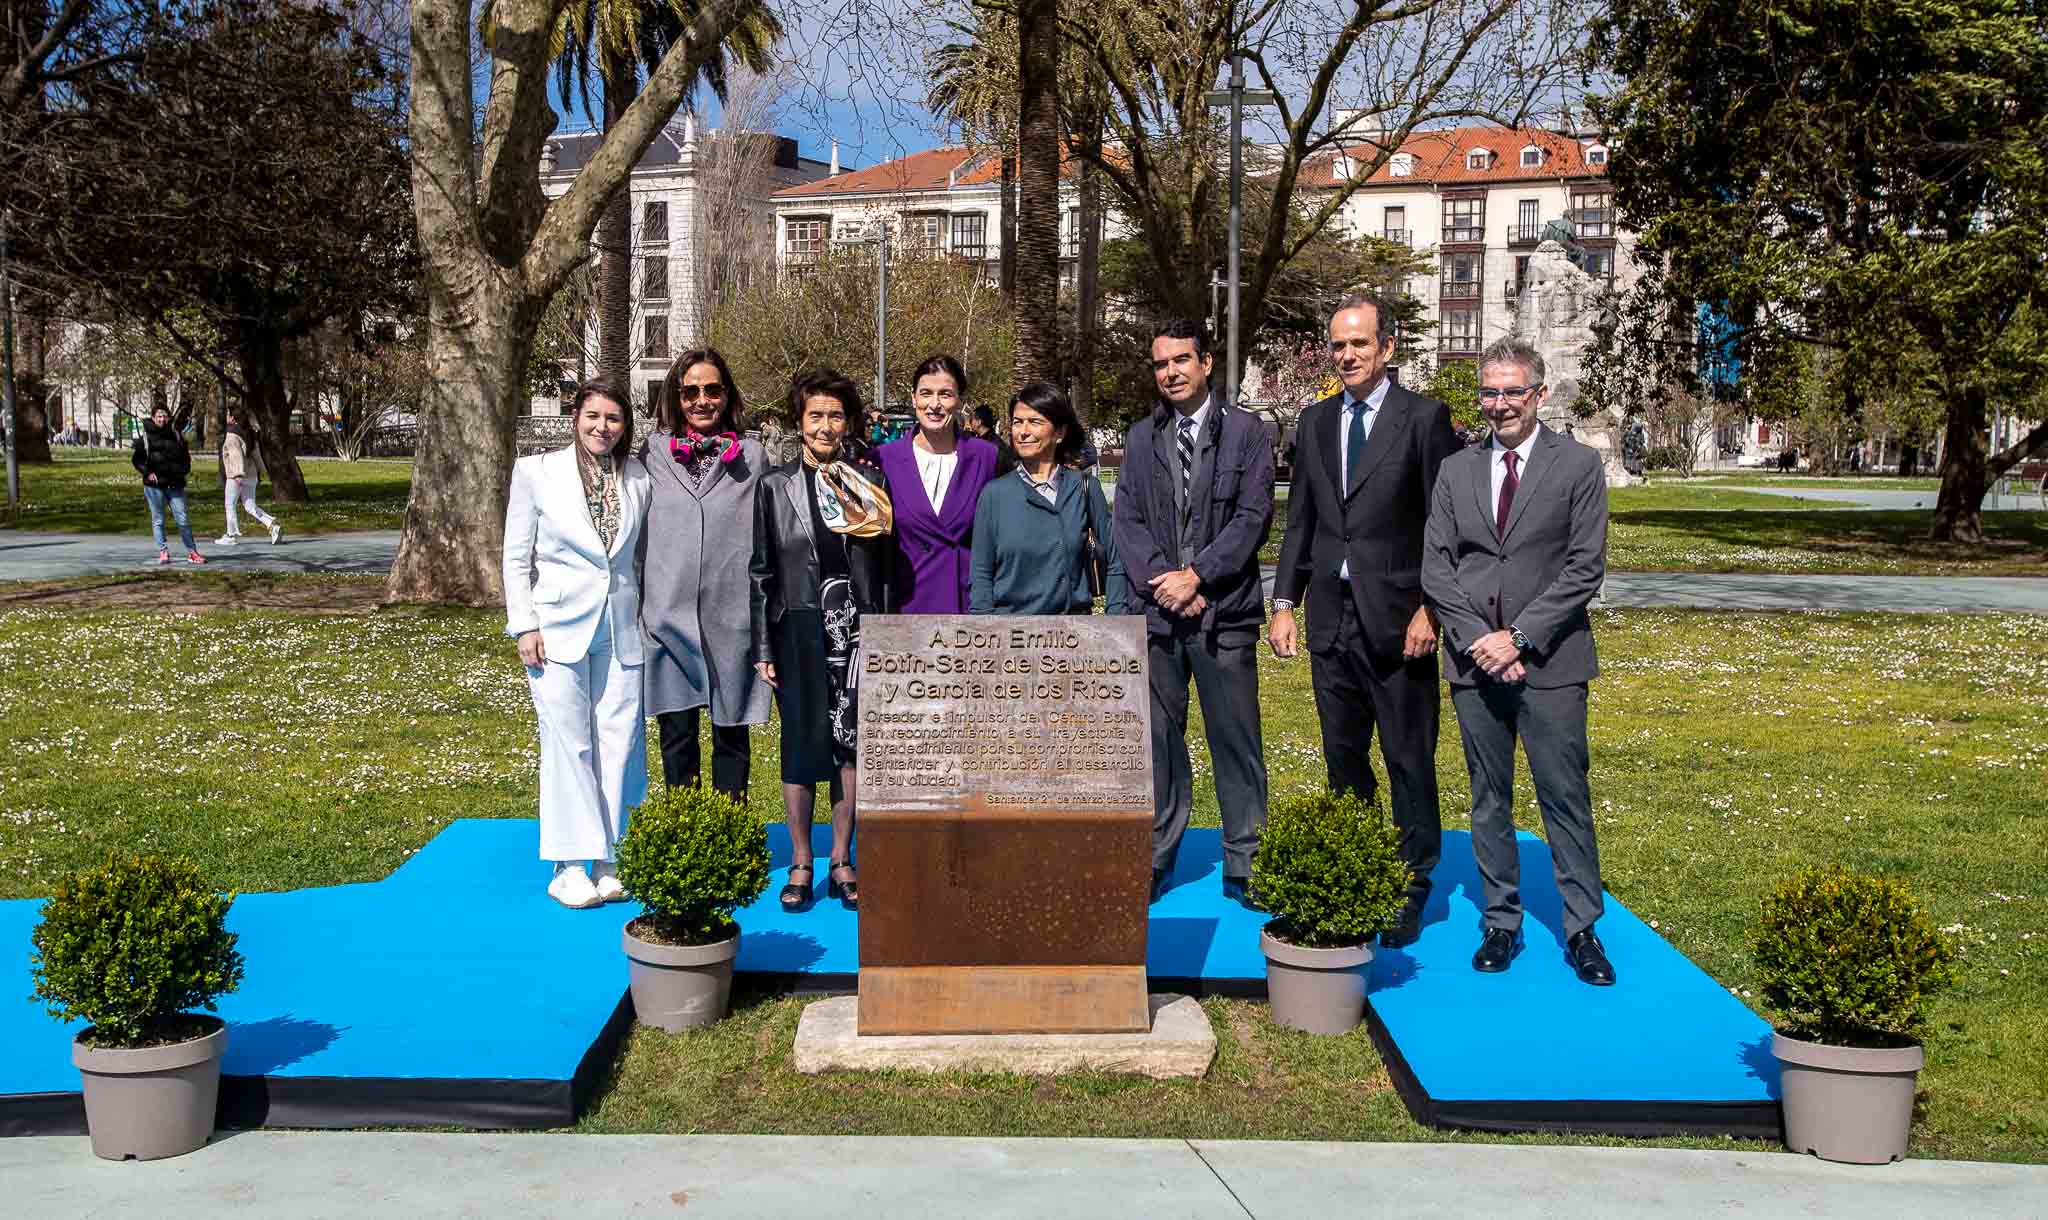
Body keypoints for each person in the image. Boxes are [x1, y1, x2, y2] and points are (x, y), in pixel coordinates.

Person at [1268, 291, 1460, 949]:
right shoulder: (1315, 421)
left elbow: (1445, 523)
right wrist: (1284, 602)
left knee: (1409, 758)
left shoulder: (1425, 419)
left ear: (1387, 348)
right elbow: (1302, 522)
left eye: (1359, 343)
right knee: (1343, 757)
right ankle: (1360, 869)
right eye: (1338, 344)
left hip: (1403, 620)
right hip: (1332, 620)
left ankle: (1412, 882)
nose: (1347, 355)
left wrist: (1432, 608)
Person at [1421, 337, 1614, 985]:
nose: (1499, 404)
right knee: (1488, 800)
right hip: (1474, 664)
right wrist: (1481, 637)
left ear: (1540, 394)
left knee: (1564, 794)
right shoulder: (1455, 470)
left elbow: (1586, 566)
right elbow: (1438, 567)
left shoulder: (1579, 466)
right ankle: (1500, 923)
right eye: (1489, 391)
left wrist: (1520, 636)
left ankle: (1582, 927)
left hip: (1552, 662)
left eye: (1512, 392)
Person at [1112, 320, 1274, 904]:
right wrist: (1166, 584)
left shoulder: (1248, 433)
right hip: (1158, 617)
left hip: (1223, 614)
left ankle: (1246, 860)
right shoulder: (1140, 439)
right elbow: (1125, 519)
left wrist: (1199, 575)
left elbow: (1254, 517)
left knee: (1236, 739)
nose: (1171, 373)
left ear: (1206, 363)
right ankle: (1157, 855)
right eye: (1160, 365)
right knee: (1158, 744)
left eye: (1181, 360)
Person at [503, 379, 652, 910]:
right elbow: (516, 557)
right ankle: (568, 864)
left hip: (622, 627)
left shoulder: (637, 477)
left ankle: (612, 857)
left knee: (620, 741)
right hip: (556, 627)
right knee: (568, 742)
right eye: (593, 416)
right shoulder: (536, 473)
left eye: (613, 418)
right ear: (575, 416)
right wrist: (524, 624)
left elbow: (638, 557)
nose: (602, 427)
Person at [751, 369, 895, 912]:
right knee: (802, 744)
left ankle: (841, 858)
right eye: (816, 415)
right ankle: (801, 860)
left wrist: (881, 629)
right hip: (799, 627)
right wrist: (764, 646)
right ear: (799, 422)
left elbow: (882, 567)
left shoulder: (868, 483)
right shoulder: (774, 485)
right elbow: (761, 570)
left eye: (836, 415)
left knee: (851, 743)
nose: (826, 426)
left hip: (856, 628)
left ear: (849, 422)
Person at [634, 348, 769, 804]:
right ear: (676, 396)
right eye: (690, 391)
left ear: (726, 394)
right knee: (676, 734)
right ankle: (686, 833)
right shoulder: (652, 453)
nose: (701, 400)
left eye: (711, 389)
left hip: (731, 621)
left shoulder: (753, 457)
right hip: (667, 618)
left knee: (731, 735)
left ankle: (729, 832)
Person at [969, 381, 1128, 617]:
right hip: (1011, 637)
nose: (1023, 431)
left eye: (1034, 422)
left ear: (1060, 432)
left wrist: (1116, 617)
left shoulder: (1084, 488)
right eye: (1017, 422)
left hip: (1074, 637)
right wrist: (984, 626)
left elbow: (1116, 560)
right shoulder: (994, 495)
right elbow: (981, 573)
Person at [874, 355, 1001, 614]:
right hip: (906, 608)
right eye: (926, 394)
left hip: (966, 610)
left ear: (960, 401)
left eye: (945, 394)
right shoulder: (883, 459)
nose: (934, 405)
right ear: (913, 398)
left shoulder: (986, 457)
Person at [132, 403, 205, 566]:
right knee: (158, 520)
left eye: (164, 416)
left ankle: (192, 552)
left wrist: (183, 471)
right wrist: (147, 473)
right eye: (159, 416)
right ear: (153, 417)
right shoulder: (145, 437)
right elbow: (137, 460)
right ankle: (163, 551)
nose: (162, 419)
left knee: (183, 519)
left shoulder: (176, 435)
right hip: (154, 487)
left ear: (169, 417)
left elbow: (186, 458)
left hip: (175, 485)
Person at [216, 408, 282, 546]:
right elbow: (257, 455)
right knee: (250, 506)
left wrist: (238, 474)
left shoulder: (232, 434)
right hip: (251, 475)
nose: (227, 417)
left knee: (230, 504)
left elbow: (235, 455)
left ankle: (231, 535)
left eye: (228, 415)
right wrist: (264, 472)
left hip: (236, 476)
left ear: (233, 418)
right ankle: (271, 524)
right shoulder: (250, 433)